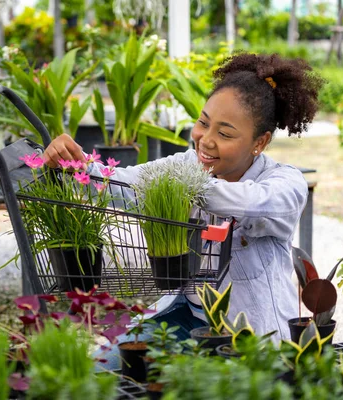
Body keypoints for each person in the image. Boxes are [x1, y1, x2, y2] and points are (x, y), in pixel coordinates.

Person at [42, 53, 323, 368]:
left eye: (225, 134)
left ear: (260, 142)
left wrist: (183, 185)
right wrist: (73, 163)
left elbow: (254, 204)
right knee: (102, 368)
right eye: (203, 122)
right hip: (186, 315)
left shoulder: (284, 182)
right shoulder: (187, 164)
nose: (206, 140)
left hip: (249, 337)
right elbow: (125, 186)